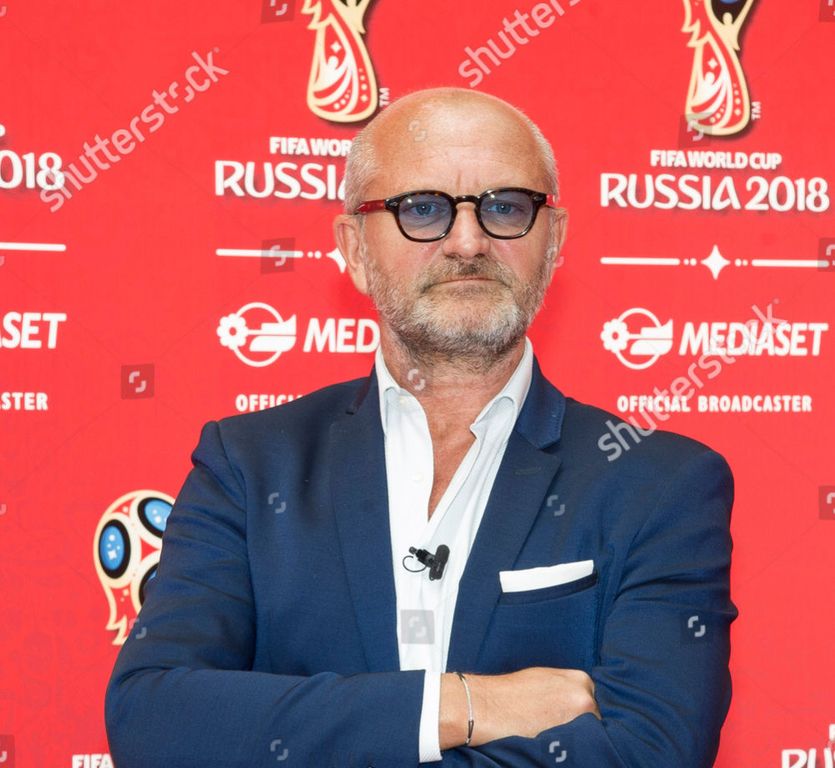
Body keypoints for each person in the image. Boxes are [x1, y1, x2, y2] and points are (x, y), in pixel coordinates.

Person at [105, 87, 737, 767]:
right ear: (354, 248)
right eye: (423, 209)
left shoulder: (657, 482)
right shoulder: (249, 466)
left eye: (505, 207)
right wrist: (462, 705)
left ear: (553, 240)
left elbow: (651, 753)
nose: (468, 242)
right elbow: (154, 721)